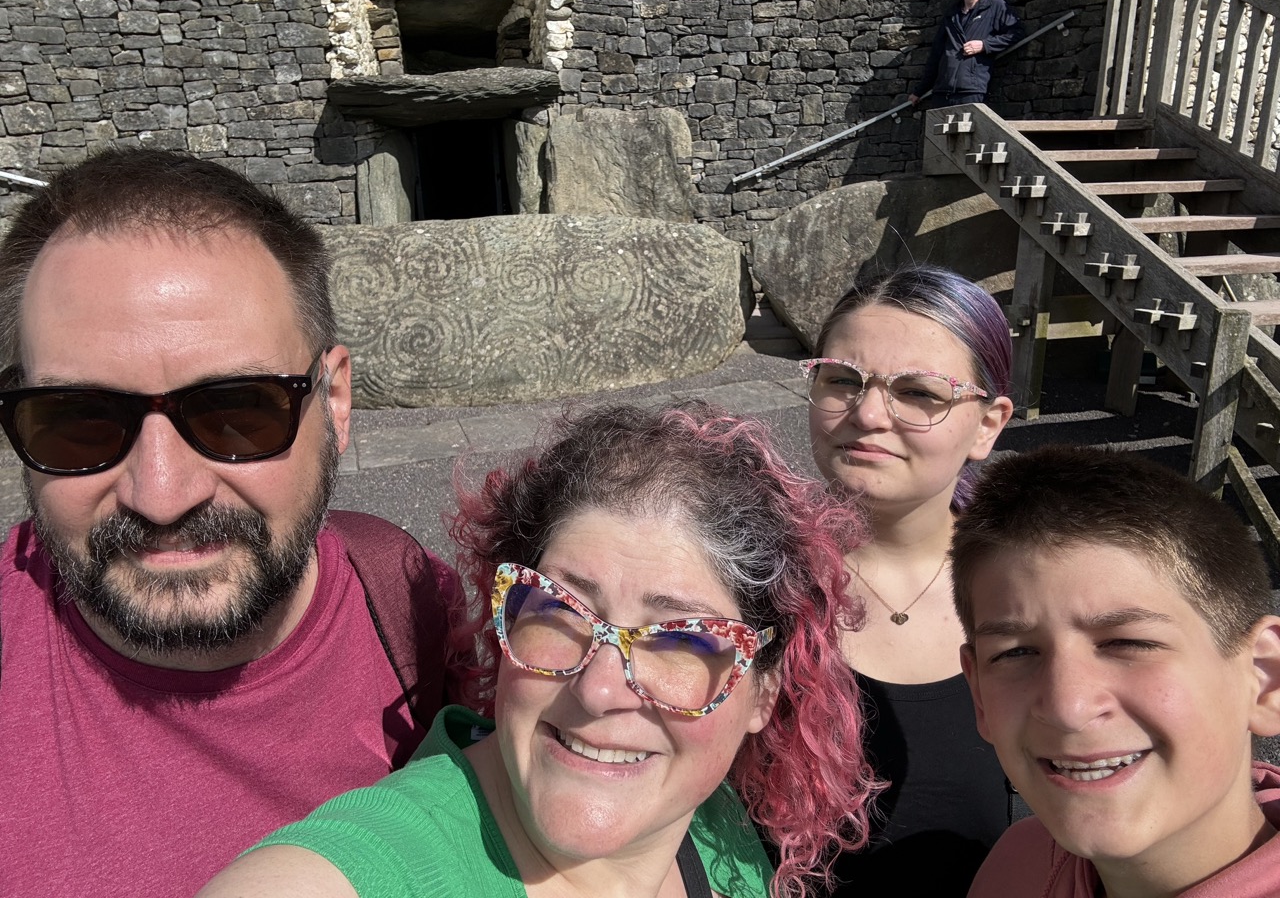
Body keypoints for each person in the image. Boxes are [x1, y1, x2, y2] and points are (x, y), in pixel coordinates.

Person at [0, 148, 460, 898]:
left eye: (236, 410)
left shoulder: (424, 608)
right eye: (78, 421)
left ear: (335, 403)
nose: (161, 494)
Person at [199, 401, 882, 898]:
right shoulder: (374, 869)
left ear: (762, 690)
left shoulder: (712, 821)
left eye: (680, 639)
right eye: (559, 612)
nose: (598, 689)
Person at [953, 444, 1280, 898]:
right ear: (979, 697)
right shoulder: (1018, 863)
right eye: (1015, 653)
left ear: (1264, 678)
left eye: (1129, 642)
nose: (1068, 707)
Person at [802, 265, 1015, 895]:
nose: (868, 413)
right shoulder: (749, 579)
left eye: (920, 392)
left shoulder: (1038, 595)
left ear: (987, 425)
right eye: (842, 381)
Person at [908, 0, 1024, 108]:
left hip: (971, 91)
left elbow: (1016, 33)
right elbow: (936, 55)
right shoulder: (951, 14)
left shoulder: (995, 6)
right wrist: (920, 90)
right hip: (941, 93)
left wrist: (984, 45)